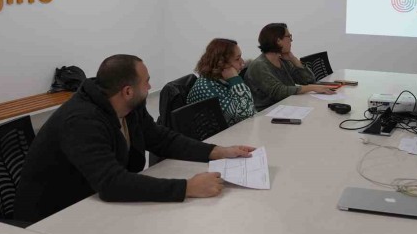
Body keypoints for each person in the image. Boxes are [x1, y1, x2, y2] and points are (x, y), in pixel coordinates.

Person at [14, 54, 255, 223]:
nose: (150, 86)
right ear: (127, 91)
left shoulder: (129, 106)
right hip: (53, 218)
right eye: (146, 81)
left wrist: (216, 151)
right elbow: (111, 184)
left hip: (93, 205)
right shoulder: (81, 121)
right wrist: (187, 188)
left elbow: (161, 139)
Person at [244, 23, 337, 111]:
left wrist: (293, 59)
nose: (291, 40)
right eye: (288, 37)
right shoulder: (259, 66)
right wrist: (311, 88)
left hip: (287, 106)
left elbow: (309, 80)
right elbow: (279, 92)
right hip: (267, 113)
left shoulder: (283, 60)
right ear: (278, 41)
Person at [187, 38, 256, 126]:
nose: (242, 62)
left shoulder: (222, 80)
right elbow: (246, 114)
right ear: (221, 63)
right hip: (221, 134)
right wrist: (235, 79)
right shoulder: (207, 87)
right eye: (237, 59)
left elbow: (251, 109)